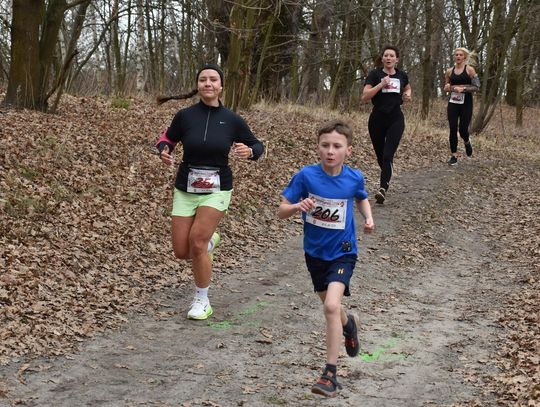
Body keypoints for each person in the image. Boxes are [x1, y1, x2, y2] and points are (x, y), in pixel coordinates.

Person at [156, 63, 264, 320]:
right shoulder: (184, 116)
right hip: (186, 187)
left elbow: (258, 146)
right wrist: (164, 151)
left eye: (213, 79)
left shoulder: (232, 120)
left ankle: (202, 300)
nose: (208, 83)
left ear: (221, 86)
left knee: (197, 243)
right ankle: (211, 241)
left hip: (217, 188)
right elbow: (166, 139)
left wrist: (250, 151)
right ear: (198, 85)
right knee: (181, 251)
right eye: (203, 79)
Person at [278, 120, 375, 397]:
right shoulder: (306, 176)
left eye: (337, 146)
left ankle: (329, 374)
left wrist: (368, 217)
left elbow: (361, 197)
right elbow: (281, 210)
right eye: (325, 145)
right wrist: (298, 206)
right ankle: (349, 324)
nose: (331, 151)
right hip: (315, 253)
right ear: (318, 148)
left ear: (348, 150)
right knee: (331, 307)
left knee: (331, 306)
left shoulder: (353, 178)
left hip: (343, 251)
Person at [361, 45, 412, 204]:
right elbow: (365, 96)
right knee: (381, 156)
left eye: (392, 56)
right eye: (386, 55)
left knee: (388, 155)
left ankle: (383, 188)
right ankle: (388, 172)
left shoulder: (402, 75)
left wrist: (407, 95)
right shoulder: (375, 74)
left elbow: (408, 88)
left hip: (396, 118)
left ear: (397, 60)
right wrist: (381, 85)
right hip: (377, 119)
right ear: (382, 59)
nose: (388, 58)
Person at [443, 47, 480, 165]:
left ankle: (467, 142)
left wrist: (463, 89)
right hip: (453, 103)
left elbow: (476, 87)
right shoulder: (449, 71)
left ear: (464, 57)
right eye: (456, 55)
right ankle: (453, 156)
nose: (458, 56)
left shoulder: (470, 70)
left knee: (463, 129)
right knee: (452, 127)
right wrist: (447, 87)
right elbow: (447, 86)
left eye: (460, 55)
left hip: (466, 103)